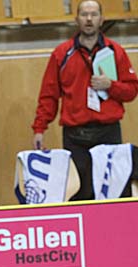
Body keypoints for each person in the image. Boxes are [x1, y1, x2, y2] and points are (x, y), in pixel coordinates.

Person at [31, 0, 138, 200]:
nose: (89, 19)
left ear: (102, 19)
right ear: (76, 19)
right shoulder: (61, 54)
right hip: (75, 137)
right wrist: (39, 128)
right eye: (84, 14)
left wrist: (111, 85)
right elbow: (49, 95)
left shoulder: (116, 52)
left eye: (94, 14)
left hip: (108, 133)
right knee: (80, 193)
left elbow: (132, 91)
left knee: (114, 192)